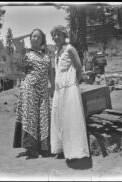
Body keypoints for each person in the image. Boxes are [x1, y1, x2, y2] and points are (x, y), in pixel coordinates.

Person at [50, 25, 90, 160]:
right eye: (54, 35)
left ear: (64, 36)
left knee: (70, 118)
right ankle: (61, 148)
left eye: (59, 35)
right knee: (59, 118)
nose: (56, 37)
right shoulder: (57, 52)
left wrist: (74, 83)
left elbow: (79, 67)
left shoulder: (70, 49)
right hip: (58, 88)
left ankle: (75, 151)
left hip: (69, 87)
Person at [13, 29, 53, 159]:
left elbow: (51, 72)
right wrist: (28, 34)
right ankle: (31, 149)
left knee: (42, 117)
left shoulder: (46, 56)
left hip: (43, 91)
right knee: (30, 117)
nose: (35, 39)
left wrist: (52, 86)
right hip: (29, 88)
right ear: (30, 39)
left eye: (38, 37)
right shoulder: (25, 52)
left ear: (42, 40)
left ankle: (43, 148)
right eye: (33, 37)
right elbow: (15, 40)